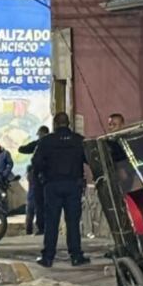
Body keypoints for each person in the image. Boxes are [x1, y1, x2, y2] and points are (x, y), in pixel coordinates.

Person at [33, 112, 90, 267]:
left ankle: (48, 257)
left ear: (55, 124)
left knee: (51, 221)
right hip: (73, 185)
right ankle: (76, 256)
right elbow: (89, 159)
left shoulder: (46, 141)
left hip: (52, 185)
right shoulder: (79, 140)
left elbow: (36, 163)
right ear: (68, 123)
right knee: (73, 222)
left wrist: (41, 176)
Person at [19, 126, 50, 236]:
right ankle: (45, 227)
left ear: (42, 133)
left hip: (39, 178)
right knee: (45, 203)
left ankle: (41, 227)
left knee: (38, 203)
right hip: (50, 177)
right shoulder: (52, 142)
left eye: (39, 134)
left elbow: (22, 149)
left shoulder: (39, 144)